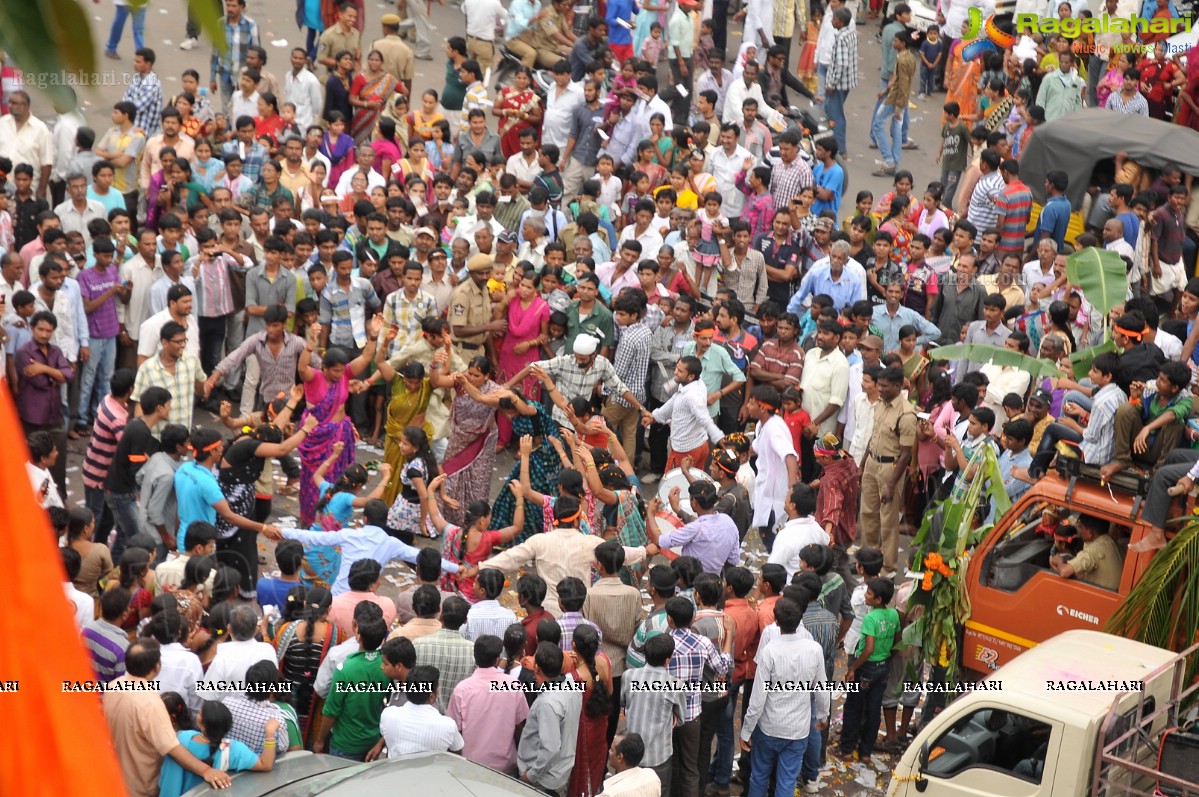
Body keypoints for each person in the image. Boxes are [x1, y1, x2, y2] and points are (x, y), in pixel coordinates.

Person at [103, 639, 233, 795]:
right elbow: (172, 748)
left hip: (116, 778)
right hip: (141, 784)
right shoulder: (149, 702)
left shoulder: (112, 687)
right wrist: (206, 770)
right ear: (156, 666)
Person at [741, 596, 829, 797]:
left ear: (776, 621)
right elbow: (822, 688)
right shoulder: (814, 649)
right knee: (787, 782)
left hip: (768, 728)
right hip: (797, 730)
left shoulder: (770, 651)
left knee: (759, 775)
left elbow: (758, 698)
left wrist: (746, 730)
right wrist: (823, 716)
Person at [158, 700, 279, 797]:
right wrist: (269, 733)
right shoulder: (234, 750)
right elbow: (266, 765)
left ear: (200, 721)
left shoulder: (180, 739)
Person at [517, 642, 584, 793]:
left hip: (543, 779)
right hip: (560, 771)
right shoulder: (572, 685)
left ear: (537, 668)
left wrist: (531, 775)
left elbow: (550, 748)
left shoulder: (547, 703)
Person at [379, 665, 465, 756]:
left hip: (395, 769)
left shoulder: (388, 715)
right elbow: (457, 752)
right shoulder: (448, 725)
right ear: (432, 697)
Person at [1050, 514, 1122, 591]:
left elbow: (1064, 572)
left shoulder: (1092, 551)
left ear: (1090, 533)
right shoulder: (1111, 541)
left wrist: (1057, 560)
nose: (1079, 531)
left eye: (1080, 527)